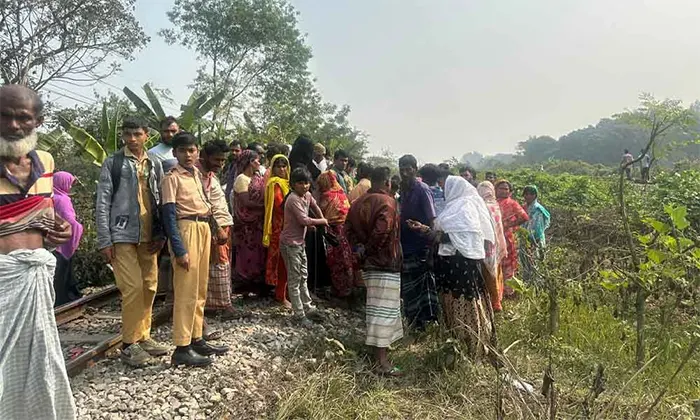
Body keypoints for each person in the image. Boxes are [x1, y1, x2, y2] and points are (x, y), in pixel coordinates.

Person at [0, 84, 76, 419]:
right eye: (4, 116)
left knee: (40, 359)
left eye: (23, 118)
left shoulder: (45, 162)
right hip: (3, 279)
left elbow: (44, 218)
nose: (13, 125)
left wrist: (61, 231)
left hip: (36, 277)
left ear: (38, 121)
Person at [96, 116, 170, 367]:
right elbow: (103, 202)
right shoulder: (113, 163)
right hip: (121, 234)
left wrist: (161, 233)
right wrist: (105, 240)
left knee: (149, 286)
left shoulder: (154, 163)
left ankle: (143, 336)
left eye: (137, 134)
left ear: (146, 135)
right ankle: (129, 345)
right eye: (127, 134)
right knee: (132, 288)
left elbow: (160, 198)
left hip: (149, 235)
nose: (132, 139)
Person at [407, 176, 497, 360]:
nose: (444, 192)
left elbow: (456, 237)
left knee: (464, 303)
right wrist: (424, 229)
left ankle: (473, 348)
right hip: (453, 267)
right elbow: (448, 234)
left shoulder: (464, 207)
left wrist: (429, 232)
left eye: (446, 188)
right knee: (456, 302)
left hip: (460, 267)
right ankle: (460, 347)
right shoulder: (457, 206)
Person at [161, 132, 229, 367]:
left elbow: (206, 206)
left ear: (197, 151)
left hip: (203, 228)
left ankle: (197, 338)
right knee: (185, 290)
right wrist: (179, 249)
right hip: (186, 229)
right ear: (175, 153)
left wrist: (217, 229)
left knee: (200, 288)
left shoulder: (197, 175)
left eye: (191, 150)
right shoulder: (171, 178)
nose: (187, 155)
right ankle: (181, 347)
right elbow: (169, 215)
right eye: (182, 150)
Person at [346, 166, 404, 376]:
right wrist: (369, 250)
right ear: (387, 182)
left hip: (369, 264)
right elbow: (383, 231)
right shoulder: (388, 202)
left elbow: (347, 229)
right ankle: (381, 363)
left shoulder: (357, 202)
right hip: (385, 263)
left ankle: (376, 354)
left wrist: (360, 250)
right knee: (384, 311)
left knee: (374, 308)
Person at [196, 140, 240, 321]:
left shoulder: (210, 174)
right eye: (217, 160)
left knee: (221, 264)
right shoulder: (196, 176)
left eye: (222, 160)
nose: (220, 164)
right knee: (218, 264)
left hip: (223, 223)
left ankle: (219, 303)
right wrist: (217, 229)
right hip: (215, 226)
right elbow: (204, 206)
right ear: (204, 156)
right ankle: (222, 306)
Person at [279, 167, 328, 326]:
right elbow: (303, 220)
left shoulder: (307, 195)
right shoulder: (293, 199)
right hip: (290, 244)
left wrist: (321, 220)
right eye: (300, 183)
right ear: (293, 184)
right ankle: (299, 314)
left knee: (303, 275)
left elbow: (315, 206)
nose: (304, 186)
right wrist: (321, 221)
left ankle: (308, 307)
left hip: (300, 243)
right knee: (294, 279)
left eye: (306, 183)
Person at [398, 154, 438, 330]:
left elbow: (432, 221)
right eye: (402, 170)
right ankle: (414, 324)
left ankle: (426, 325)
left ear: (415, 169)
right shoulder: (403, 190)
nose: (405, 173)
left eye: (408, 169)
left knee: (424, 289)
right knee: (409, 289)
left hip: (421, 246)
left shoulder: (422, 190)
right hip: (406, 246)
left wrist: (431, 248)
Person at [232, 149, 267, 295]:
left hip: (258, 222)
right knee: (247, 253)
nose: (259, 162)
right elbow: (246, 202)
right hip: (246, 224)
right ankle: (245, 283)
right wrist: (266, 206)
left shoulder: (258, 177)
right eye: (256, 160)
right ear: (249, 162)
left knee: (258, 252)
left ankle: (256, 282)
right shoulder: (241, 179)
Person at [317, 171, 355, 298]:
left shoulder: (326, 196)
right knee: (346, 260)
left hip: (332, 231)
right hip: (345, 231)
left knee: (335, 261)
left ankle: (338, 290)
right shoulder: (342, 193)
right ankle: (347, 289)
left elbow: (321, 214)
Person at [52, 171, 84, 306]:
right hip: (64, 241)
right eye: (69, 183)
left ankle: (58, 300)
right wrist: (79, 228)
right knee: (64, 272)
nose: (70, 187)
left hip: (53, 240)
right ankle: (65, 299)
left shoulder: (51, 197)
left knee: (58, 273)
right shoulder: (63, 199)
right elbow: (69, 221)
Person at [263, 154, 291, 306]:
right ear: (273, 168)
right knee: (282, 262)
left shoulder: (288, 183)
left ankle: (287, 293)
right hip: (280, 227)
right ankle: (281, 295)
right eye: (278, 166)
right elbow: (280, 205)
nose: (281, 169)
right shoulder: (275, 184)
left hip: (289, 226)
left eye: (284, 166)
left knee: (289, 261)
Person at [477, 181, 508, 311]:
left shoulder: (482, 206)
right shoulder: (495, 205)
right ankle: (498, 298)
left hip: (487, 245)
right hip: (498, 243)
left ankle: (493, 302)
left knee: (489, 272)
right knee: (496, 270)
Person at [494, 180, 529, 295]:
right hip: (494, 238)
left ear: (510, 191)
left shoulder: (512, 203)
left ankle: (509, 292)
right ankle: (497, 291)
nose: (504, 191)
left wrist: (509, 225)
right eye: (501, 188)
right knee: (496, 264)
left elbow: (524, 217)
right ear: (496, 190)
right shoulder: (492, 203)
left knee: (508, 264)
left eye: (506, 189)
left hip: (507, 238)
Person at [521, 185, 551, 284]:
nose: (528, 196)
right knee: (525, 264)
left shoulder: (538, 209)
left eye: (531, 194)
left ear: (535, 195)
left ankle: (535, 286)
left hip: (535, 240)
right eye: (526, 194)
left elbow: (538, 228)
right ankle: (526, 285)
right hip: (524, 239)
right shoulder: (524, 207)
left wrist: (534, 241)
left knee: (534, 264)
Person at [223, 139, 244, 210]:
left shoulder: (243, 167)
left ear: (242, 151)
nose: (234, 153)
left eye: (237, 151)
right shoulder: (231, 165)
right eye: (232, 150)